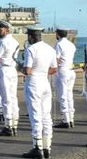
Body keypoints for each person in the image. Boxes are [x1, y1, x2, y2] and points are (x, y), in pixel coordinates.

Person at [21, 26, 58, 159]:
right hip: (45, 82)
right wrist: (42, 72)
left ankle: (37, 148)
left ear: (31, 36)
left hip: (34, 83)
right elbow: (54, 69)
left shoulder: (31, 49)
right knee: (46, 116)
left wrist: (20, 67)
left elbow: (27, 70)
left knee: (35, 116)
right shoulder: (50, 49)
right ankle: (47, 147)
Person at [0, 20, 20, 136]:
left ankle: (8, 126)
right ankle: (14, 124)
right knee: (13, 97)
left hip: (3, 70)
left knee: (5, 98)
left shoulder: (2, 42)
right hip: (12, 70)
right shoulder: (15, 41)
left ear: (7, 29)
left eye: (0, 29)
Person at [53, 26, 76, 129]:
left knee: (62, 95)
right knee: (69, 95)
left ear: (58, 34)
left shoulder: (59, 44)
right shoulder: (71, 44)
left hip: (62, 71)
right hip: (71, 70)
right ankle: (71, 118)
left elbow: (56, 60)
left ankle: (65, 120)